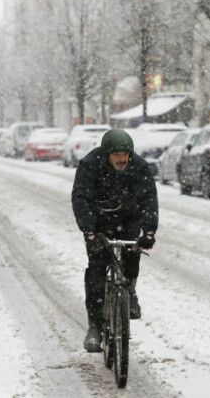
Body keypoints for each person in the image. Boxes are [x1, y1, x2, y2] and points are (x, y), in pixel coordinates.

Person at [71, 128, 158, 353]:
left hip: (128, 218)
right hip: (99, 222)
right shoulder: (90, 165)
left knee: (131, 252)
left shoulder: (139, 167)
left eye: (125, 154)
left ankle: (129, 290)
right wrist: (90, 232)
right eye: (117, 154)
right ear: (107, 154)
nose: (122, 159)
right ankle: (95, 327)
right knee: (97, 270)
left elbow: (149, 198)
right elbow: (81, 198)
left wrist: (148, 232)